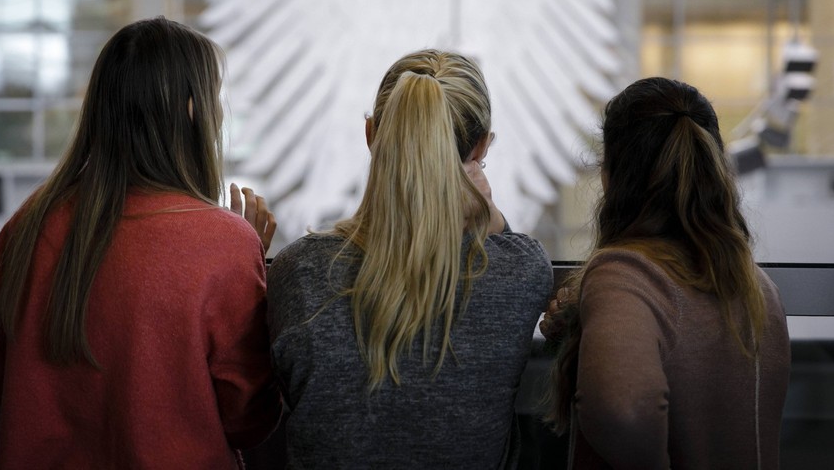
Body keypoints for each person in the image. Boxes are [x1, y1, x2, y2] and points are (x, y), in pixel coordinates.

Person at [0, 17, 282, 469]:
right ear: (190, 111)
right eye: (215, 97)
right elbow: (248, 420)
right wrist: (248, 255)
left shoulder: (28, 226)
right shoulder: (225, 245)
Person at [267, 49, 553, 469]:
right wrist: (490, 216)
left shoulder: (298, 271)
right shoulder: (522, 271)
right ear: (480, 145)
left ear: (371, 134)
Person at [543, 77, 791, 470]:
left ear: (612, 176)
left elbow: (622, 409)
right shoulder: (758, 288)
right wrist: (587, 323)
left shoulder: (624, 276)